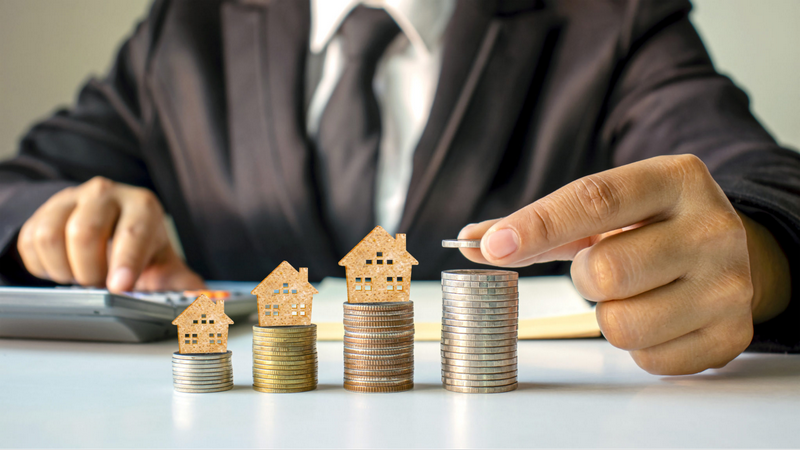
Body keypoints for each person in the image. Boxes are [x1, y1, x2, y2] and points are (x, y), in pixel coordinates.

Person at [0, 0, 798, 375]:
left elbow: (768, 185)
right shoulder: (186, 31)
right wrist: (52, 220)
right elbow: (17, 183)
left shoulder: (613, 23)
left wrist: (755, 250)